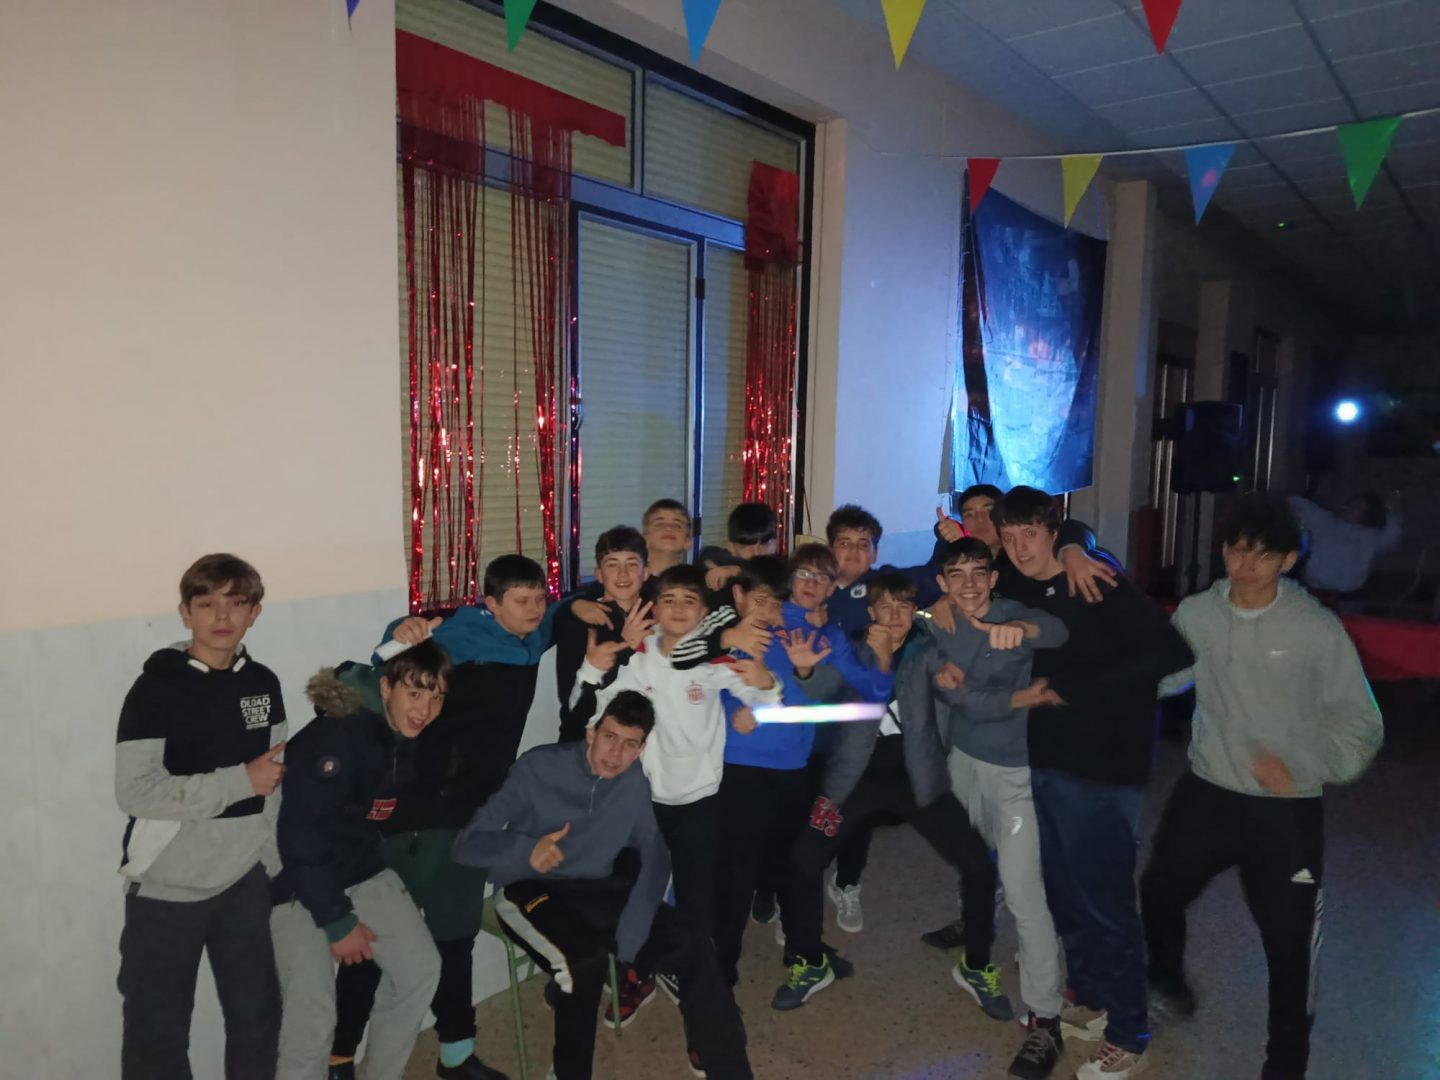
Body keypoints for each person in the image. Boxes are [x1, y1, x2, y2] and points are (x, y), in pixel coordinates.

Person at [1141, 494, 1383, 1080]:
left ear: (1289, 560)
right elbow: (1165, 674)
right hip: (1208, 790)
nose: (1245, 565)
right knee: (1159, 892)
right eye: (1236, 550)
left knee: (1289, 944)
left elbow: (1361, 723)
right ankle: (1168, 983)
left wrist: (1304, 766)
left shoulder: (1315, 629)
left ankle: (1285, 1065)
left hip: (1285, 806)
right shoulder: (1199, 612)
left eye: (1262, 555)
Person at [993, 487, 1193, 1080]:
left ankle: (1131, 1032)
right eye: (1009, 537)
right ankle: (1094, 997)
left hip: (1103, 769)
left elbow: (1170, 653)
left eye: (1031, 534)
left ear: (1052, 531)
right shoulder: (1017, 579)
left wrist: (1074, 690)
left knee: (1106, 903)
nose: (1019, 548)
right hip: (1044, 763)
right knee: (1064, 894)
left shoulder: (1097, 581)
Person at [332, 555, 558, 1080]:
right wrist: (399, 631)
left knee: (455, 939)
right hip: (411, 818)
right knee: (371, 946)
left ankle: (456, 1054)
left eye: (539, 599)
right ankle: (338, 1057)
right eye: (521, 600)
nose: (533, 609)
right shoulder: (457, 638)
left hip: (469, 820)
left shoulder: (532, 636)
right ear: (491, 603)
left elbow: (569, 610)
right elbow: (388, 671)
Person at [455, 692, 753, 1080]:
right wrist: (526, 849)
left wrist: (633, 931)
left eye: (630, 744)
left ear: (641, 748)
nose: (616, 754)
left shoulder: (633, 782)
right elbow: (467, 845)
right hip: (527, 886)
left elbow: (655, 855)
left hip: (594, 886)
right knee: (583, 963)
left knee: (694, 942)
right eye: (609, 737)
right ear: (591, 733)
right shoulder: (537, 767)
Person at [774, 572, 1000, 1015]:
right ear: (871, 611)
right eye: (886, 607)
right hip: (851, 784)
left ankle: (976, 964)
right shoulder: (850, 650)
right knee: (802, 860)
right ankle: (811, 962)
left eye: (903, 606)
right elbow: (816, 688)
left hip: (918, 781)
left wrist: (957, 679)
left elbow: (953, 681)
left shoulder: (926, 650)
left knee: (977, 862)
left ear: (913, 611)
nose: (895, 616)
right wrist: (804, 668)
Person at [115, 553, 286, 1080]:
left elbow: (275, 782)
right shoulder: (156, 689)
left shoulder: (263, 683)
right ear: (186, 613)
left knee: (258, 1019)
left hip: (244, 879)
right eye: (207, 604)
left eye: (236, 603)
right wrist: (238, 782)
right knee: (157, 1035)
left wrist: (272, 863)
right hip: (168, 886)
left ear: (254, 613)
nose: (222, 616)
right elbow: (136, 792)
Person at [912, 538, 1071, 1078]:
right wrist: (1015, 698)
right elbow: (949, 690)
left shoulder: (1015, 613)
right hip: (961, 762)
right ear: (942, 583)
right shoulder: (936, 623)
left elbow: (1057, 630)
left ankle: (1045, 1018)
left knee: (1027, 895)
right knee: (975, 863)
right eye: (956, 575)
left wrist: (1022, 629)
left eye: (979, 572)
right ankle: (976, 928)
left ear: (994, 577)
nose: (970, 584)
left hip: (1015, 773)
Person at [570, 563, 783, 948]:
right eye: (669, 600)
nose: (679, 608)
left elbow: (764, 696)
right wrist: (591, 679)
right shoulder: (639, 655)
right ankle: (641, 961)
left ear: (704, 613)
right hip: (646, 795)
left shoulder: (713, 659)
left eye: (689, 601)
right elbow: (593, 705)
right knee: (637, 885)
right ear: (654, 610)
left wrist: (762, 693)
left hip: (700, 798)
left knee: (697, 893)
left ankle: (698, 966)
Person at [270, 644, 452, 1080]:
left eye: (436, 697)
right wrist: (337, 922)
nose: (424, 710)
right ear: (386, 687)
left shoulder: (394, 735)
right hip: (293, 880)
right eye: (414, 694)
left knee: (418, 969)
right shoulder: (340, 738)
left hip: (357, 866)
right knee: (311, 1023)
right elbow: (299, 836)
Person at [712, 556, 831, 989]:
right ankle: (721, 968)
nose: (767, 611)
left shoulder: (798, 638)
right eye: (758, 600)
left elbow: (816, 701)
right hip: (738, 768)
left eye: (776, 602)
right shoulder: (716, 639)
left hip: (792, 768)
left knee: (793, 864)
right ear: (738, 596)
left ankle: (803, 952)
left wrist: (765, 708)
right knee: (735, 873)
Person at [1288, 490, 1401, 609]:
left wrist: (1393, 509)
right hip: (1314, 595)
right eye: (1351, 505)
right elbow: (1297, 503)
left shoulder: (1370, 537)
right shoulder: (1322, 520)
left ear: (1367, 515)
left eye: (1359, 508)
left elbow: (1392, 536)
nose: (1352, 509)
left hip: (1348, 600)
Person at [698, 501, 780, 600]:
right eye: (746, 546)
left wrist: (738, 571)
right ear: (731, 547)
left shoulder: (782, 572)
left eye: (764, 544)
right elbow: (709, 555)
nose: (756, 553)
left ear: (775, 544)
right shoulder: (720, 561)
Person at [641, 498, 693, 576]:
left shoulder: (696, 581)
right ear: (644, 539)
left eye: (677, 526)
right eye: (660, 524)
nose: (668, 528)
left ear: (687, 541)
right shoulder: (631, 580)